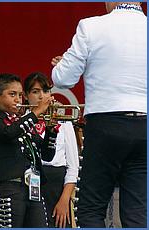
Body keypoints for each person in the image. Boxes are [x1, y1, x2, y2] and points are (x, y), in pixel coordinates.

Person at [51, 2, 146, 228]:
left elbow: (62, 79)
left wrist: (64, 63)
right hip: (145, 126)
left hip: (106, 125)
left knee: (91, 209)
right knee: (139, 213)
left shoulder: (91, 27)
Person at [0, 73, 58, 228]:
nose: (18, 99)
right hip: (11, 188)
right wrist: (37, 112)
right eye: (12, 94)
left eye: (20, 95)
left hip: (34, 188)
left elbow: (48, 155)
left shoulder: (22, 123)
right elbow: (8, 133)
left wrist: (51, 131)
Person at [23, 72, 79, 228]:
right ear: (26, 96)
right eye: (35, 91)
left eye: (46, 91)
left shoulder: (63, 121)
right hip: (28, 186)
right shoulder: (21, 123)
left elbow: (73, 167)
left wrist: (64, 200)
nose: (42, 96)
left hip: (57, 188)